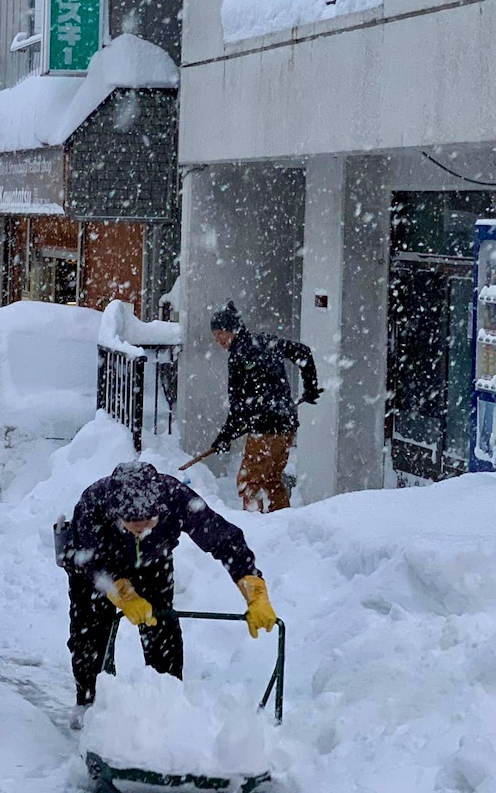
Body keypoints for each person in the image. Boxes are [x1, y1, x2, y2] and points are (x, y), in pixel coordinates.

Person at [55, 462, 277, 721]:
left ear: (160, 510)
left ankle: (167, 705)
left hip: (153, 563)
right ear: (117, 514)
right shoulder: (94, 503)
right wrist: (123, 594)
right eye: (132, 523)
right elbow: (90, 561)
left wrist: (253, 588)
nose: (141, 529)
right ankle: (91, 704)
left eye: (149, 521)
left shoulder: (176, 499)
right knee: (90, 635)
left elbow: (224, 540)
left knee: (162, 632)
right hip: (97, 570)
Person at [205, 300, 322, 512]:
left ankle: (254, 529)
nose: (219, 340)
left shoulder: (238, 357)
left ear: (233, 329)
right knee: (272, 479)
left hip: (265, 430)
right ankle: (282, 523)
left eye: (221, 333)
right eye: (215, 336)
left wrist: (225, 436)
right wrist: (311, 386)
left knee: (249, 483)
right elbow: (303, 352)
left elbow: (239, 407)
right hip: (286, 425)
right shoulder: (266, 341)